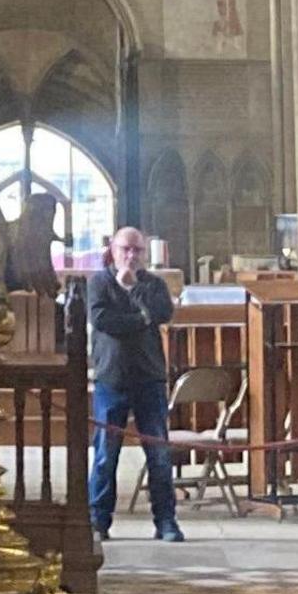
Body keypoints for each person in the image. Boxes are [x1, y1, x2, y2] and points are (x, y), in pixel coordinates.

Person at [85, 226, 184, 542]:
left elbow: (163, 313)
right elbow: (104, 321)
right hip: (111, 377)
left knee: (158, 453)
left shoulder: (153, 284)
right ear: (113, 250)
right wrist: (141, 317)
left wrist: (134, 301)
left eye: (137, 250)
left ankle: (166, 521)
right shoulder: (99, 283)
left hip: (149, 377)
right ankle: (98, 521)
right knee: (104, 454)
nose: (131, 256)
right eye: (125, 249)